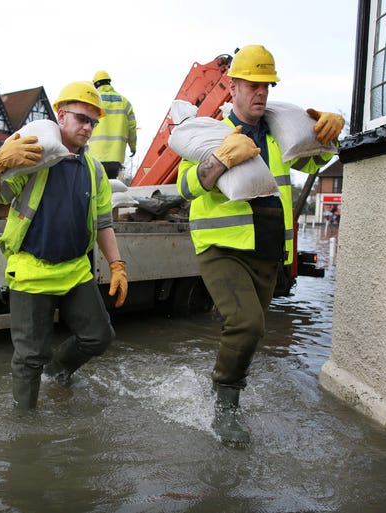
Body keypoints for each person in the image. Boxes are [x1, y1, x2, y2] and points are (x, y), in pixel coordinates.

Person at [176, 45, 344, 445]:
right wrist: (218, 160)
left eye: (267, 85)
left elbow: (314, 162)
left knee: (253, 330)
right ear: (232, 87)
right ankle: (226, 407)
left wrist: (331, 134)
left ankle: (226, 387)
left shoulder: (280, 132)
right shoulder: (209, 132)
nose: (261, 93)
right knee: (246, 323)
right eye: (252, 84)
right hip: (222, 247)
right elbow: (185, 187)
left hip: (268, 249)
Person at [0, 80, 129, 410]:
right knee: (30, 357)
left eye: (93, 122)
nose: (88, 128)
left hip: (75, 270)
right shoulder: (35, 158)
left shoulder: (95, 170)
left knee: (99, 337)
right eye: (81, 119)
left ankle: (57, 371)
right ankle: (24, 427)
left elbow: (104, 223)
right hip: (32, 270)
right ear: (61, 116)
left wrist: (117, 264)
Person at [88, 70, 137, 180]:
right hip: (116, 155)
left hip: (96, 154)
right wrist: (133, 146)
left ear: (95, 84)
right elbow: (132, 127)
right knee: (113, 188)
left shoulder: (94, 100)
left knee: (97, 187)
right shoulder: (124, 102)